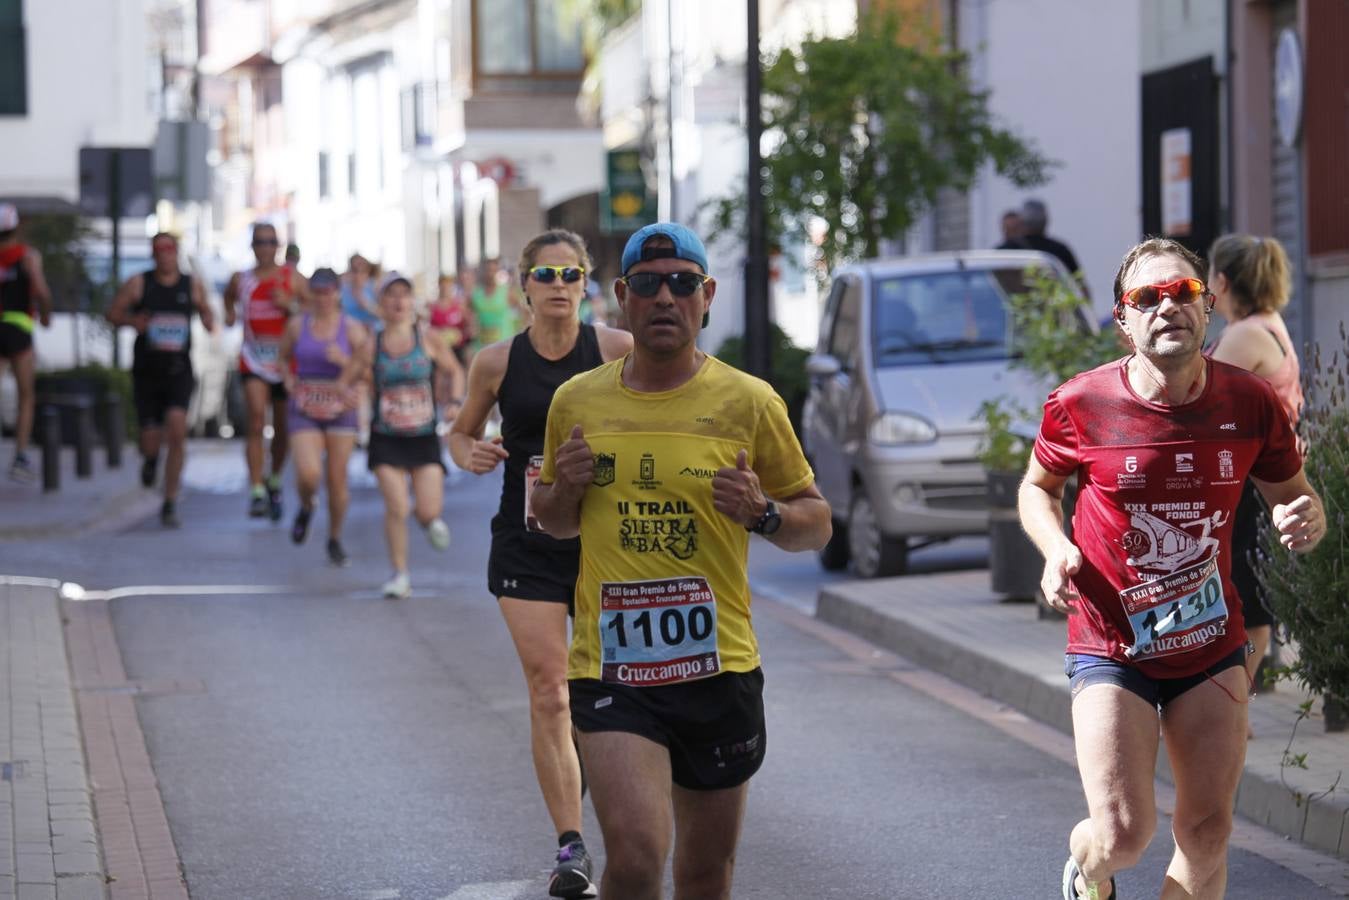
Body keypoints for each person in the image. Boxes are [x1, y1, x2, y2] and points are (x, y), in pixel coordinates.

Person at [1016, 237, 1325, 900]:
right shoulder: (1079, 403)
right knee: (1124, 832)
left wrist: (1303, 517)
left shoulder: (1248, 402)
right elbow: (1035, 488)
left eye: (1181, 292)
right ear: (1123, 320)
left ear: (1207, 305)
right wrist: (1054, 549)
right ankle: (1086, 864)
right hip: (1110, 642)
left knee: (1208, 832)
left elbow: (1293, 493)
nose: (1166, 307)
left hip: (1211, 641)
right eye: (1145, 297)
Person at [530, 222, 832, 900]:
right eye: (646, 283)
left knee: (702, 874)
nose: (664, 297)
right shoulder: (576, 401)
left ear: (706, 295)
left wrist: (763, 513)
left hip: (716, 665)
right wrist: (566, 486)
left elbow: (814, 523)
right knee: (636, 857)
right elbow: (550, 521)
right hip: (612, 668)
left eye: (681, 283)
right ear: (620, 297)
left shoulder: (749, 402)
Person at [448, 229, 632, 899]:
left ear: (586, 283)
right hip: (525, 542)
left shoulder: (615, 350)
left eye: (571, 273)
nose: (559, 284)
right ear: (524, 285)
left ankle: (611, 806)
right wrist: (464, 449)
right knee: (550, 689)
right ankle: (570, 845)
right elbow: (462, 429)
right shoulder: (496, 363)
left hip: (605, 542)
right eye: (545, 273)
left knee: (603, 688)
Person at [1207, 234, 1303, 709]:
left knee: (1244, 593)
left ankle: (1231, 707)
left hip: (1247, 479)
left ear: (1221, 282)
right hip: (1257, 474)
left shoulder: (1245, 335)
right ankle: (1234, 705)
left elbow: (1196, 395)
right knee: (1249, 591)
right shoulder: (1267, 323)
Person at [350, 272, 464, 598]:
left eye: (404, 295)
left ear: (412, 302)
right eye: (391, 295)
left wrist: (455, 402)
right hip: (385, 437)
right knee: (397, 507)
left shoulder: (427, 338)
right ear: (381, 304)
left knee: (428, 511)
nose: (399, 301)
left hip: (423, 436)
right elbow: (350, 377)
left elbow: (454, 370)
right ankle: (400, 574)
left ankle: (428, 521)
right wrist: (349, 395)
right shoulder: (372, 344)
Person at [105, 233, 215, 527]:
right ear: (153, 254)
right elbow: (113, 313)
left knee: (177, 432)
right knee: (150, 439)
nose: (164, 254)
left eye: (169, 249)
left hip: (179, 370)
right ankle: (151, 460)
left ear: (176, 253)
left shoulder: (190, 284)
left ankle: (169, 501)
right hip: (147, 372)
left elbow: (208, 314)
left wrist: (206, 317)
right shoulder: (140, 283)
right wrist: (132, 321)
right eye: (159, 249)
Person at [276, 267, 368, 566]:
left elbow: (368, 370)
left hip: (340, 408)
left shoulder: (352, 328)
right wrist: (288, 382)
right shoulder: (296, 325)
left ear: (336, 294)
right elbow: (281, 358)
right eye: (316, 292)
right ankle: (306, 504)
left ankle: (335, 538)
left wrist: (345, 363)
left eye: (327, 292)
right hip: (306, 405)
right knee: (309, 472)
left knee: (337, 480)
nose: (322, 298)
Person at [224, 222, 308, 520]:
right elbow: (228, 300)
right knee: (257, 420)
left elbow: (316, 313)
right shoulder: (241, 279)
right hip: (254, 358)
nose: (265, 248)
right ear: (252, 246)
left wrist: (291, 305)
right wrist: (229, 314)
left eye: (271, 242)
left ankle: (274, 479)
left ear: (278, 246)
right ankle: (256, 488)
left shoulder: (292, 279)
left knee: (283, 426)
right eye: (260, 242)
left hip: (285, 361)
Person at [0, 203, 53, 483]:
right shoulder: (27, 257)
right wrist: (46, 315)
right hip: (19, 329)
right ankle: (20, 456)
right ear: (16, 227)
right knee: (25, 396)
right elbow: (41, 291)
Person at [1021, 198, 1089, 296]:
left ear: (1022, 222)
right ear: (1046, 221)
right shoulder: (1060, 250)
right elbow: (1081, 290)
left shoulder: (1007, 252)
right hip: (1056, 309)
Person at [428, 272, 475, 410]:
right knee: (440, 380)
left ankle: (457, 405)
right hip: (439, 349)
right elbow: (427, 328)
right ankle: (441, 408)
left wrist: (462, 334)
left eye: (448, 286)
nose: (445, 289)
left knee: (459, 374)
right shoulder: (432, 306)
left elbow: (470, 325)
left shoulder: (459, 305)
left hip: (457, 348)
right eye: (443, 285)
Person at [471, 257, 520, 349]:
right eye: (488, 270)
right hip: (482, 344)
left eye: (493, 270)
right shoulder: (476, 294)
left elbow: (523, 311)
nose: (490, 274)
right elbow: (469, 316)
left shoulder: (507, 291)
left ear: (498, 271)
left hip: (504, 344)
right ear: (483, 272)